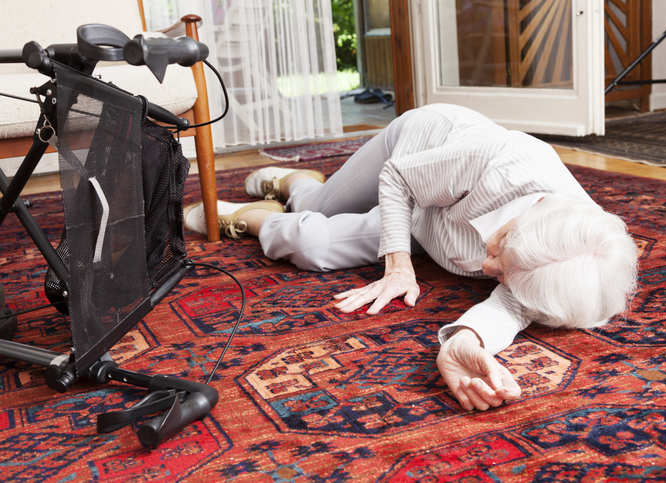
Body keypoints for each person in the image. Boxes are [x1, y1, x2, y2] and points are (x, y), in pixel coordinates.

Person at [184, 104, 639, 412]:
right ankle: (298, 186)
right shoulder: (502, 161)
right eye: (499, 250)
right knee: (315, 211)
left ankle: (254, 219)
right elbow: (398, 179)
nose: (486, 270)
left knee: (310, 248)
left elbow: (516, 305)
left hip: (435, 228)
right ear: (531, 212)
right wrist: (397, 265)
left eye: (503, 275)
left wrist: (467, 340)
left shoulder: (572, 262)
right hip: (413, 161)